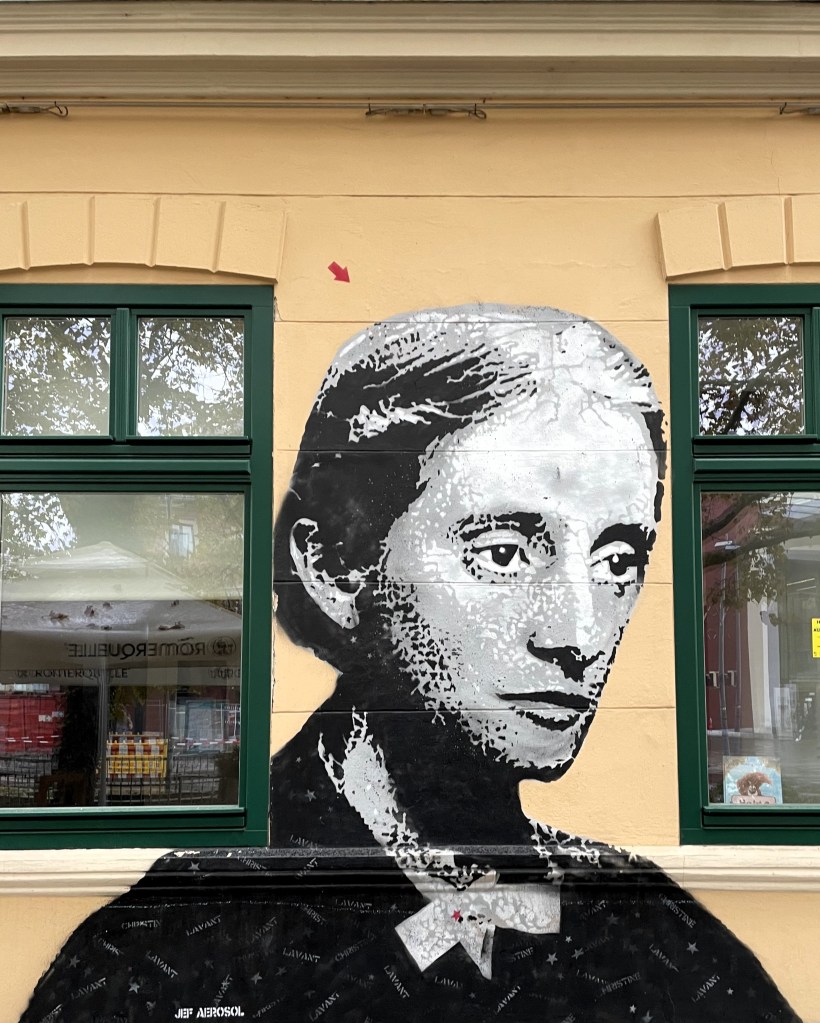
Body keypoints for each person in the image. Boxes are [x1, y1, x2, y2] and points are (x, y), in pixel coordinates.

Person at [20, 306, 800, 1023]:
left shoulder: (655, 931)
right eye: (503, 552)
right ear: (334, 568)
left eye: (616, 560)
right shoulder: (176, 940)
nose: (579, 632)